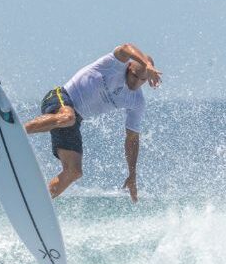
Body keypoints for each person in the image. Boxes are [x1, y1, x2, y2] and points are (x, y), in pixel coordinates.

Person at [24, 43, 162, 203]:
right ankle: (17, 131)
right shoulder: (114, 64)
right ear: (129, 66)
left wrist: (132, 174)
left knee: (74, 171)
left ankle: (36, 202)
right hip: (61, 97)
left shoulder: (137, 101)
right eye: (134, 75)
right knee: (67, 117)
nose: (136, 82)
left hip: (73, 121)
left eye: (142, 79)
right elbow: (126, 47)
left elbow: (132, 138)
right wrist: (147, 63)